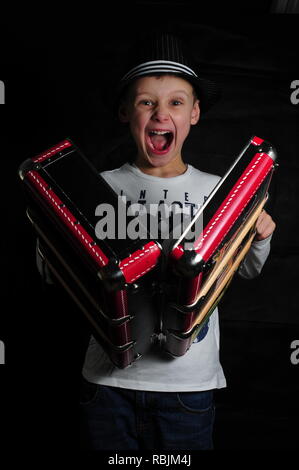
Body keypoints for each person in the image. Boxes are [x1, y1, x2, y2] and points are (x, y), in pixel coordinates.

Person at [78, 32, 276, 451]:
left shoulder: (221, 192)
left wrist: (260, 237)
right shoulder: (97, 188)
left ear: (195, 113)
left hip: (188, 388)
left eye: (175, 102)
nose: (160, 113)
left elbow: (249, 269)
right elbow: (60, 274)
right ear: (125, 112)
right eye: (146, 101)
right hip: (108, 384)